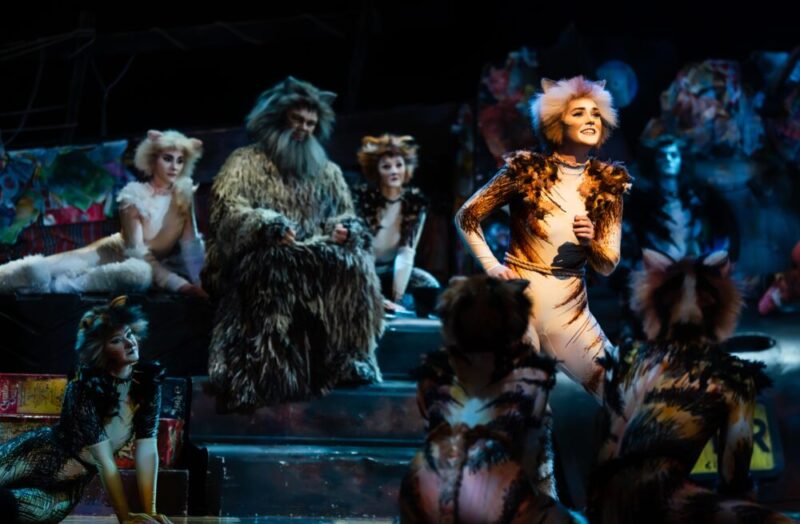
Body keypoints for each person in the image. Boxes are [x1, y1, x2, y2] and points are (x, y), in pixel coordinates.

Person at [202, 76, 383, 410]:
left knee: (354, 263)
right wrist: (267, 225)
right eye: (297, 120)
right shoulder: (244, 162)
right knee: (273, 267)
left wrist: (344, 229)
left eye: (310, 123)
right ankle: (269, 371)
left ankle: (348, 359)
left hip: (313, 253)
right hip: (259, 256)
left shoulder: (328, 172)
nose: (303, 128)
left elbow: (345, 215)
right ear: (278, 118)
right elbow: (228, 213)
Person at [455, 76, 631, 399]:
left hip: (571, 312)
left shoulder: (608, 184)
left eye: (595, 113)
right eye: (578, 113)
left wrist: (591, 243)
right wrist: (492, 267)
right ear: (556, 122)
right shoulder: (525, 171)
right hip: (520, 303)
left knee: (621, 391)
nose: (590, 119)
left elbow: (608, 265)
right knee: (526, 402)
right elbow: (467, 216)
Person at [0, 296, 171, 524]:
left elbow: (147, 448)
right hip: (36, 455)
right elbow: (104, 460)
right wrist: (125, 518)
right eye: (116, 340)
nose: (130, 343)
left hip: (69, 485)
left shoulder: (148, 384)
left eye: (130, 334)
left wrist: (150, 512)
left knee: (15, 509)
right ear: (100, 351)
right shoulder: (83, 389)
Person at [0, 130, 206, 296]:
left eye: (180, 160)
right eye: (168, 159)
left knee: (137, 275)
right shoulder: (133, 196)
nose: (174, 167)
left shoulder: (183, 195)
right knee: (41, 269)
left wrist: (199, 283)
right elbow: (137, 251)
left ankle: (58, 287)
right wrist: (178, 284)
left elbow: (191, 243)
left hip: (135, 270)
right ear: (153, 160)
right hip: (112, 252)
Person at [353, 134, 439, 312]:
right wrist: (372, 293)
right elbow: (361, 250)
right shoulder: (363, 199)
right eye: (386, 166)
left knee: (429, 285)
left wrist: (396, 299)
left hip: (392, 270)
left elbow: (406, 252)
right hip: (361, 268)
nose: (394, 171)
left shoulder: (415, 203)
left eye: (398, 165)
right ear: (376, 171)